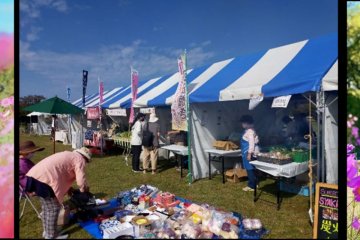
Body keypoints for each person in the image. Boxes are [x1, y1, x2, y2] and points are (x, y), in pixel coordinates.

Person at [25, 147, 92, 239]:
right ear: (86, 158)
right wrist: (84, 190)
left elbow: (61, 172)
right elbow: (81, 180)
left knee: (46, 208)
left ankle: (47, 231)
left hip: (35, 177)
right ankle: (51, 236)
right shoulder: (80, 159)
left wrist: (69, 189)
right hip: (45, 181)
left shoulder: (69, 155)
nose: (86, 163)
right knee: (53, 209)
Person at [240, 115, 259, 192]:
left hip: (248, 152)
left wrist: (249, 153)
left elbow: (251, 143)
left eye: (242, 123)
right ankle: (255, 183)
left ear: (246, 123)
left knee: (249, 169)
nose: (242, 124)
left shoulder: (250, 132)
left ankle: (251, 185)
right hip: (249, 152)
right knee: (253, 168)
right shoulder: (251, 130)